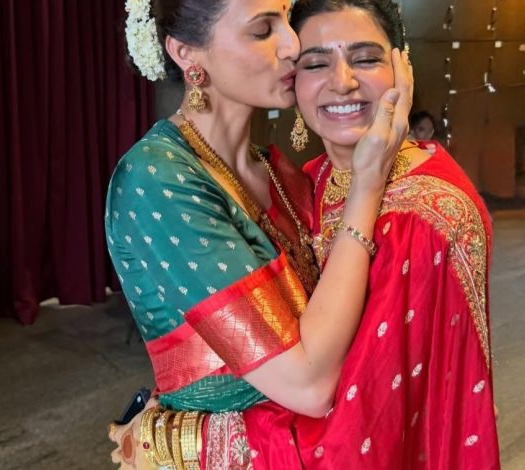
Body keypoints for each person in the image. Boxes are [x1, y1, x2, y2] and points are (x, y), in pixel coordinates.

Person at [106, 0, 412, 468]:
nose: (293, 45)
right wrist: (367, 185)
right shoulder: (158, 179)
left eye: (287, 19)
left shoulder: (280, 173)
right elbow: (308, 385)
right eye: (263, 30)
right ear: (187, 53)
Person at [293, 0, 500, 467]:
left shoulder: (425, 213)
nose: (342, 82)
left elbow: (360, 424)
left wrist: (190, 435)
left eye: (366, 59)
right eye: (316, 64)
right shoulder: (309, 179)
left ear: (402, 69)